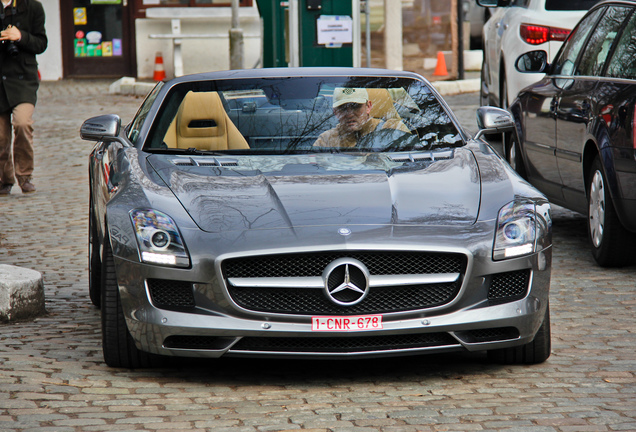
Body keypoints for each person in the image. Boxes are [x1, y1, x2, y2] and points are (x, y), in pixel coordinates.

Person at [0, 0, 47, 195]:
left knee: (22, 123)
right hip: (0, 80)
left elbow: (41, 43)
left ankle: (25, 176)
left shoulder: (32, 7)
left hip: (23, 80)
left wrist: (20, 37)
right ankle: (5, 179)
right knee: (1, 136)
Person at [313, 87, 409, 149]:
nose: (349, 114)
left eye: (355, 106)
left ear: (368, 106)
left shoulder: (394, 129)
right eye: (343, 108)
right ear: (335, 112)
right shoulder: (326, 140)